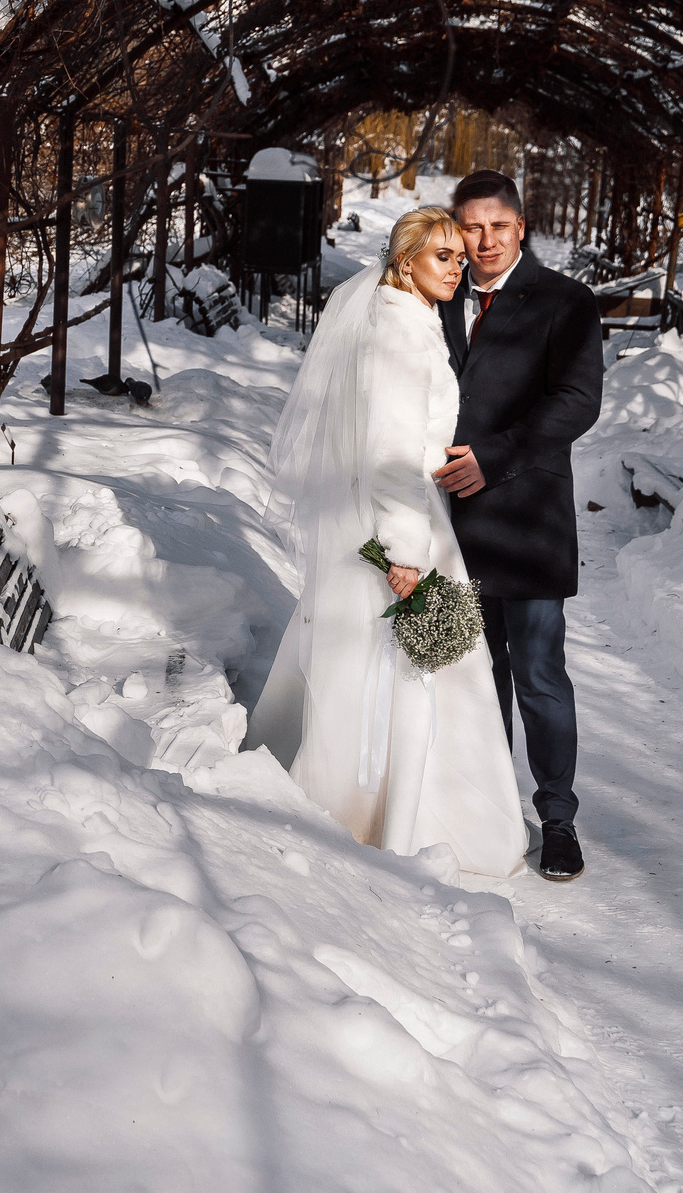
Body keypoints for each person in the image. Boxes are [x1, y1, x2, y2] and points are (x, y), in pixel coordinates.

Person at [249, 207, 526, 878]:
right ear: (405, 263)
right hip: (399, 525)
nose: (458, 267)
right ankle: (386, 815)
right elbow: (390, 456)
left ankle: (375, 802)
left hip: (401, 517)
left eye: (461, 257)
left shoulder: (406, 320)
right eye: (442, 257)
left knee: (400, 670)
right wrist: (406, 555)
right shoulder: (400, 338)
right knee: (405, 674)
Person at [435, 170, 605, 883]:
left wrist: (494, 457)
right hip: (449, 522)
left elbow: (576, 402)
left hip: (529, 518)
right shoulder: (437, 297)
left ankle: (558, 817)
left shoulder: (564, 302)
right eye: (471, 227)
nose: (485, 241)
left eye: (497, 225)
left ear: (521, 226)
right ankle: (487, 810)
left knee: (537, 673)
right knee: (474, 672)